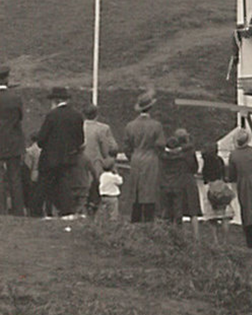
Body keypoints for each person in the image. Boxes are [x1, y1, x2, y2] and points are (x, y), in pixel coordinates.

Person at [34, 87, 86, 217]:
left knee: (43, 185)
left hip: (50, 157)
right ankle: (66, 211)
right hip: (69, 157)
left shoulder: (52, 115)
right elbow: (80, 139)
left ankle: (37, 211)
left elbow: (41, 139)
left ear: (55, 101)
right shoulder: (77, 115)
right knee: (65, 185)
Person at [0, 66, 25, 216]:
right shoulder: (16, 98)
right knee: (15, 176)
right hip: (13, 141)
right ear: (7, 79)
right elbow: (20, 117)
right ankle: (18, 210)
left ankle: (0, 210)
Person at [123, 88, 166, 223]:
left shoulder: (130, 125)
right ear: (150, 108)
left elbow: (126, 146)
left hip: (136, 158)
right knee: (150, 191)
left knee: (136, 191)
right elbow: (161, 145)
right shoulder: (156, 125)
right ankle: (148, 221)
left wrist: (132, 156)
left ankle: (135, 221)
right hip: (151, 158)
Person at [82, 102, 120, 215]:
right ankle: (95, 209)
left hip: (80, 163)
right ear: (97, 114)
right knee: (96, 189)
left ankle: (84, 209)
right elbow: (111, 147)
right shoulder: (103, 129)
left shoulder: (78, 127)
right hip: (97, 164)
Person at [159, 128, 201, 227]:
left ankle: (169, 232)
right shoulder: (188, 153)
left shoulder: (166, 155)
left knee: (170, 211)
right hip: (186, 182)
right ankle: (194, 234)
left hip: (169, 183)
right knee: (192, 211)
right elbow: (194, 167)